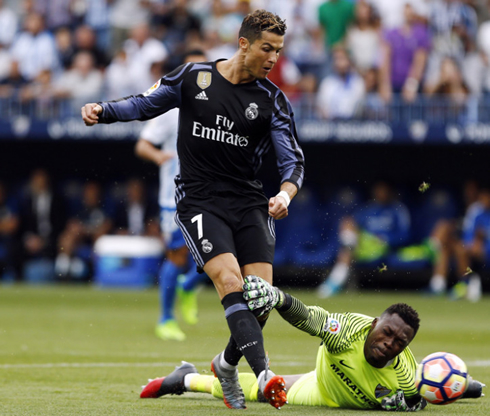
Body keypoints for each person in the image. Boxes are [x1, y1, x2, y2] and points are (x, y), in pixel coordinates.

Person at [81, 9, 305, 410]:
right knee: (230, 282)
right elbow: (146, 104)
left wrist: (285, 195)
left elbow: (293, 163)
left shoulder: (271, 100)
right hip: (199, 200)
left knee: (262, 299)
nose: (274, 59)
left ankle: (224, 364)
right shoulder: (193, 78)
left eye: (279, 50)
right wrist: (105, 110)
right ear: (244, 43)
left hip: (250, 203)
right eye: (267, 49)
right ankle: (266, 373)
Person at [139, 276, 485, 410]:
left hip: (335, 396)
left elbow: (429, 388)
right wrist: (279, 297)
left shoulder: (408, 379)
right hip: (323, 385)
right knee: (260, 392)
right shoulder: (349, 330)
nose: (389, 343)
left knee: (261, 390)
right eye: (387, 332)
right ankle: (184, 378)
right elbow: (310, 318)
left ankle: (184, 376)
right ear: (375, 324)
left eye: (400, 341)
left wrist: (464, 387)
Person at [135, 49, 211, 341]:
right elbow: (143, 145)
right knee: (179, 256)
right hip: (175, 199)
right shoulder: (170, 110)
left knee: (223, 250)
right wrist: (160, 157)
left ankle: (189, 286)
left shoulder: (215, 107)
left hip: (210, 194)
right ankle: (165, 318)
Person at [317, 182, 410, 297]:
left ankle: (335, 282)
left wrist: (386, 240)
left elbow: (405, 235)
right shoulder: (368, 209)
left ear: (390, 192)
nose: (380, 194)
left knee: (347, 251)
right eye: (378, 190)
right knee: (347, 223)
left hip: (385, 248)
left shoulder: (398, 210)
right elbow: (353, 224)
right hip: (365, 246)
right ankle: (348, 249)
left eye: (383, 191)